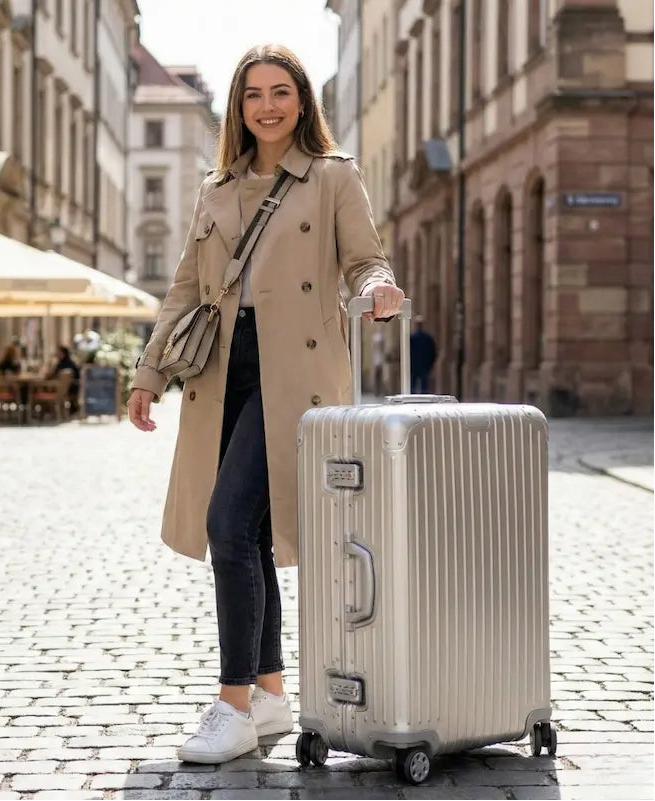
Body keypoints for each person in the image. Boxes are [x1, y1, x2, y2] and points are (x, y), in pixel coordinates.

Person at [127, 44, 404, 766]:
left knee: (228, 521)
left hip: (297, 372)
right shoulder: (215, 189)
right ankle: (273, 690)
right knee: (245, 533)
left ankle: (233, 703)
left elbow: (363, 257)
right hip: (223, 371)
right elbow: (186, 290)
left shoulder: (333, 177)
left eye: (281, 92)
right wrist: (147, 373)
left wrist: (377, 289)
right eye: (254, 94)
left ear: (302, 101)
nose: (268, 105)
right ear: (238, 108)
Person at [409, 316, 437, 394]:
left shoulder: (413, 338)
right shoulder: (427, 338)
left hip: (414, 365)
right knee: (424, 385)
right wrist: (430, 364)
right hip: (424, 365)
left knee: (413, 385)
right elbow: (432, 352)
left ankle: (412, 399)